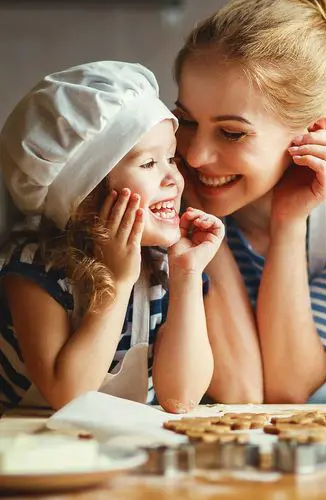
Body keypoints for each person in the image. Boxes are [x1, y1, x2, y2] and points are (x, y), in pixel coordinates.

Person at [172, 0, 326, 404]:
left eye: (232, 132)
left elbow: (286, 388)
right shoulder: (162, 178)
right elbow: (239, 390)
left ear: (313, 131)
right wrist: (198, 219)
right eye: (187, 121)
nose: (195, 156)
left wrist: (289, 222)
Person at [0, 61, 223, 412]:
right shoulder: (34, 270)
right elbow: (69, 396)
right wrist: (117, 284)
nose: (173, 179)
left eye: (171, 158)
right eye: (148, 164)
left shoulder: (165, 270)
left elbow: (180, 398)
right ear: (86, 196)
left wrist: (187, 274)